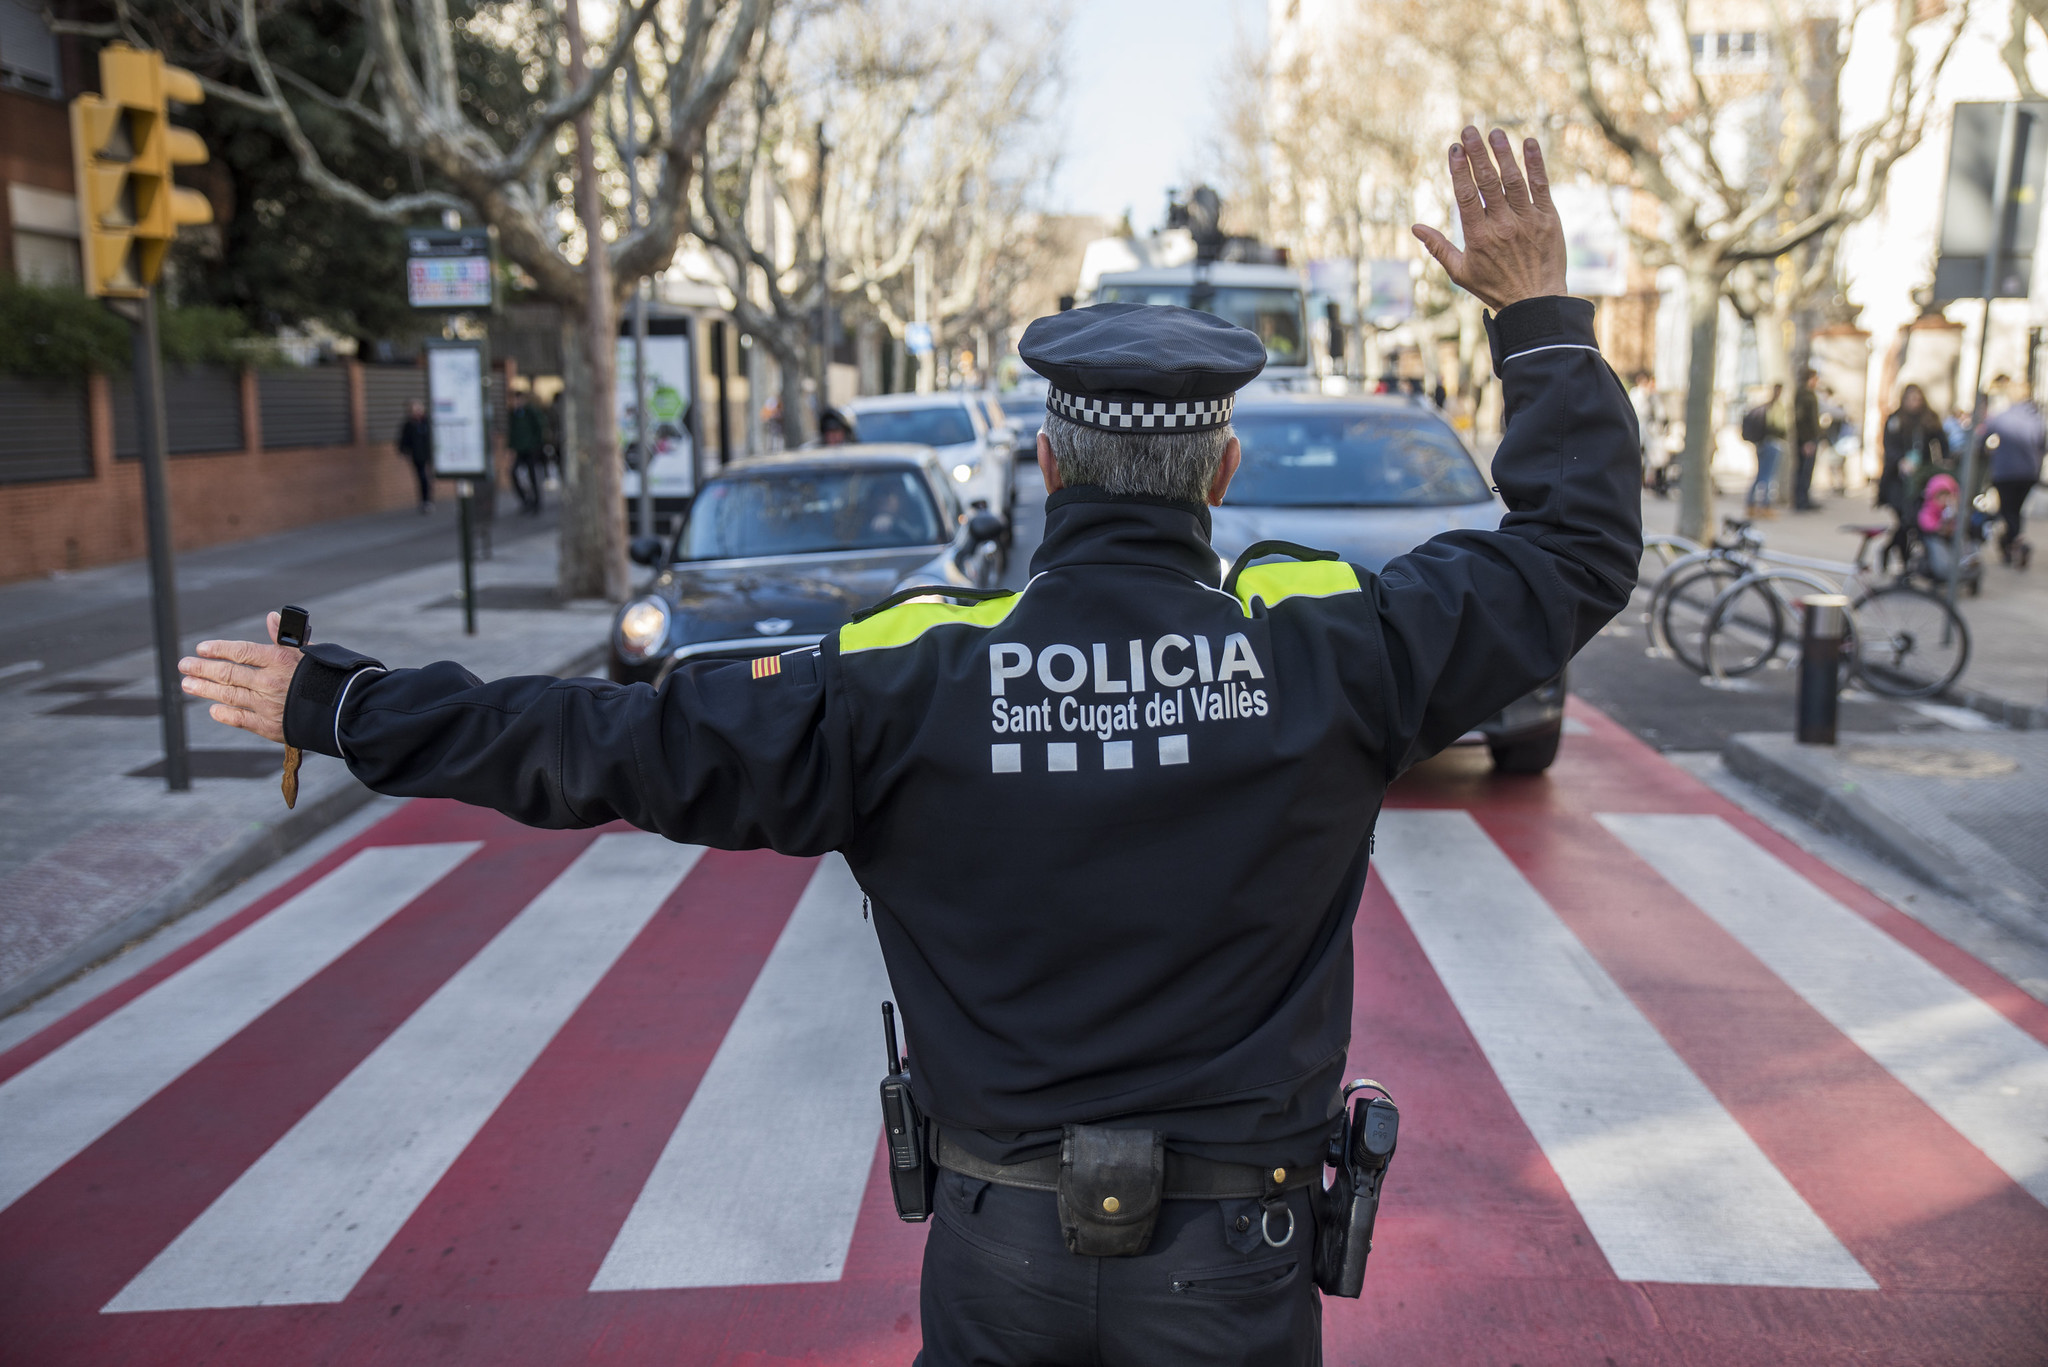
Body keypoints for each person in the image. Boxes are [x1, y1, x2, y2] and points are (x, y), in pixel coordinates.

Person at [175, 129, 1639, 1366]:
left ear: (1047, 465)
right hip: (1234, 1259)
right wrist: (1537, 316)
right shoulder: (1329, 647)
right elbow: (1574, 548)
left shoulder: (909, 673)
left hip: (1002, 1257)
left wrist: (342, 706)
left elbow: (607, 738)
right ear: (1223, 470)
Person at [1878, 384, 1948, 573]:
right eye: (1910, 399)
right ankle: (1901, 559)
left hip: (1920, 478)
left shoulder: (1929, 419)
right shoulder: (1896, 419)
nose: (1914, 403)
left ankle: (1902, 558)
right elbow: (1889, 446)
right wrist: (1901, 461)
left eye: (1917, 399)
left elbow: (1942, 443)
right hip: (1896, 481)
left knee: (1913, 522)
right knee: (1903, 520)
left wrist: (1942, 464)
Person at [1984, 379, 2044, 568]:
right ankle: (2012, 545)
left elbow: (1982, 439)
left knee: (2008, 511)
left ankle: (2016, 543)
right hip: (2029, 472)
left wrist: (1991, 453)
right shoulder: (2037, 419)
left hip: (2005, 472)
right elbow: (2043, 445)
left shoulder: (2002, 417)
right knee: (2015, 511)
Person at [1741, 383, 1785, 518]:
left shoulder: (1766, 406)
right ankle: (1764, 505)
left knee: (1761, 475)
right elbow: (1776, 426)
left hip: (1762, 443)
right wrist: (1783, 434)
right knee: (1767, 477)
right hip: (1771, 443)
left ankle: (1751, 504)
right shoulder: (1774, 407)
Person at [508, 389, 548, 515]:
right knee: (513, 473)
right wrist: (510, 448)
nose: (516, 402)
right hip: (519, 450)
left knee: (532, 476)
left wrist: (536, 444)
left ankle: (536, 502)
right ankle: (525, 500)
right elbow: (512, 433)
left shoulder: (530, 412)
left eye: (518, 399)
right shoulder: (513, 414)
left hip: (531, 449)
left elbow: (539, 428)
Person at [1628, 371, 1667, 495]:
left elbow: (1660, 413)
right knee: (1638, 453)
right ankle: (1642, 481)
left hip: (1650, 429)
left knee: (1652, 456)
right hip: (1640, 426)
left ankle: (1651, 481)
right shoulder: (1636, 394)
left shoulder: (1653, 396)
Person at [1791, 367, 1822, 511]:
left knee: (1807, 471)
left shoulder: (1808, 394)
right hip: (1807, 439)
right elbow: (1801, 420)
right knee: (1804, 470)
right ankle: (1801, 500)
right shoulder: (1803, 395)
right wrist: (1806, 440)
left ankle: (1804, 498)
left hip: (1810, 438)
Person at [396, 400, 433, 514]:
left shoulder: (428, 422)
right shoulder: (409, 425)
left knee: (429, 477)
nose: (417, 412)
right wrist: (403, 451)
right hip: (417, 455)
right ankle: (425, 501)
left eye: (418, 409)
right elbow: (404, 439)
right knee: (422, 477)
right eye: (414, 410)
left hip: (429, 453)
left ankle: (428, 498)